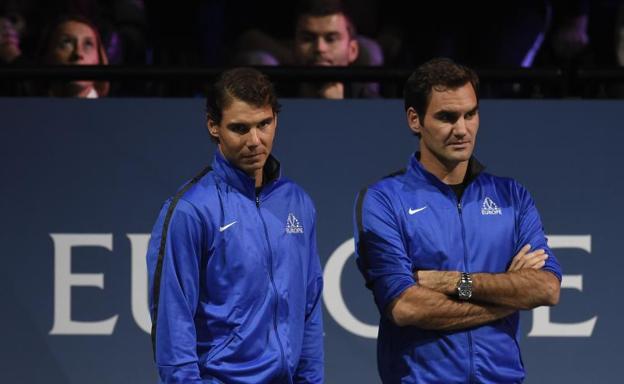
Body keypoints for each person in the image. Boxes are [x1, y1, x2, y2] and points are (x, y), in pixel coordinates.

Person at [354, 58, 561, 383]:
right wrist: (508, 299)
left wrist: (455, 282)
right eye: (447, 117)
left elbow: (547, 288)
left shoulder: (512, 196)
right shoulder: (384, 199)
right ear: (415, 120)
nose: (462, 129)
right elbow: (407, 307)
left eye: (470, 114)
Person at [146, 67, 324, 383]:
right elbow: (173, 322)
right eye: (240, 128)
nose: (255, 140)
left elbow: (308, 309)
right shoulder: (190, 210)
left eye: (264, 124)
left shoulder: (298, 203)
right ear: (214, 126)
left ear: (275, 120)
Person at [40, 14, 109, 97]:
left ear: (99, 59)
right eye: (66, 43)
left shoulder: (117, 109)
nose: (78, 53)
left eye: (88, 44)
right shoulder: (29, 108)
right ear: (47, 55)